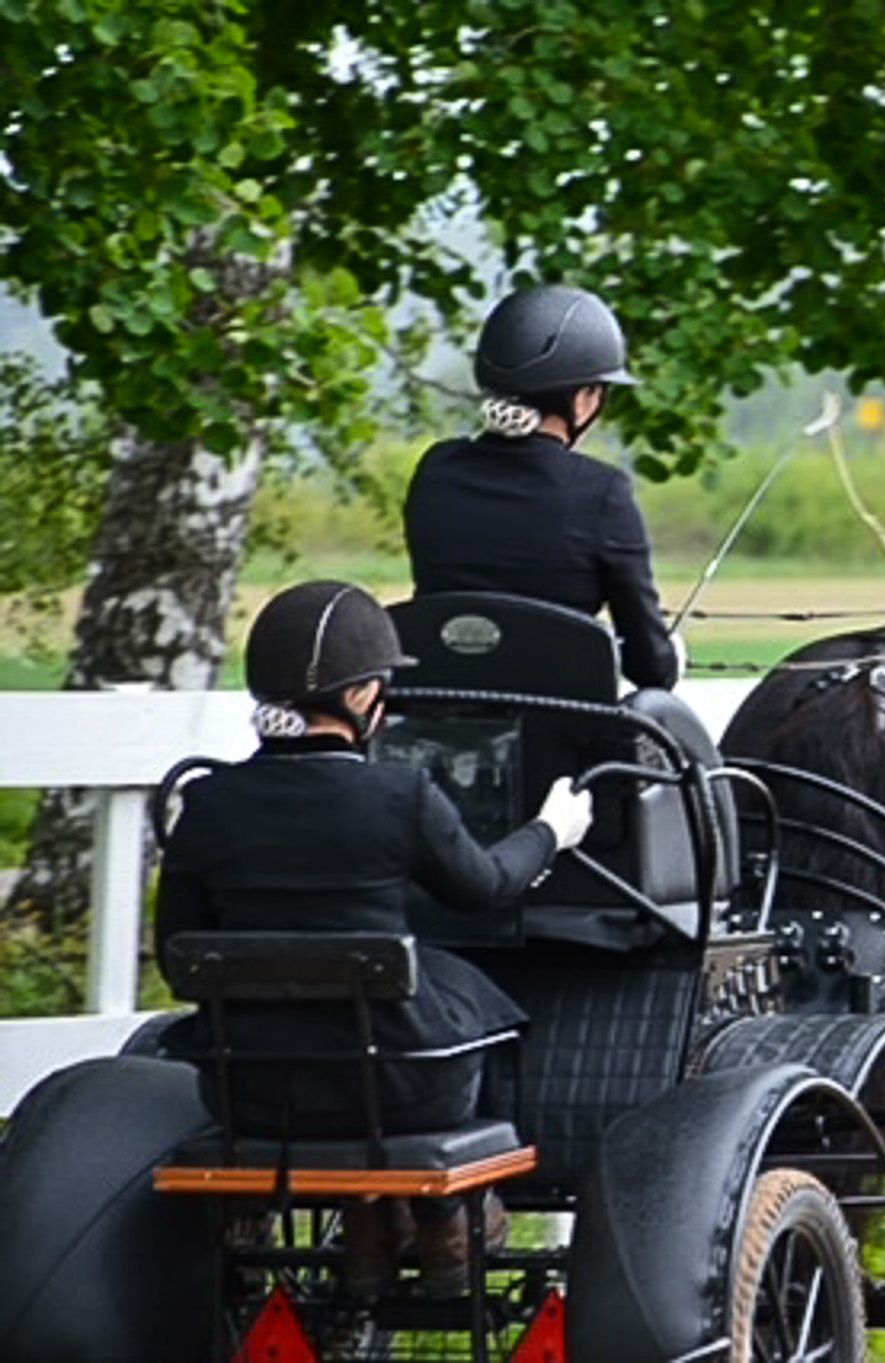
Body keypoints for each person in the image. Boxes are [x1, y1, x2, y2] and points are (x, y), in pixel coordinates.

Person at [154, 580, 594, 1298]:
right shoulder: (399, 797)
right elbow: (485, 887)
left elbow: (178, 954)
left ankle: (370, 1224)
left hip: (252, 1092)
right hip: (401, 1094)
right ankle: (444, 1214)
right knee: (470, 1001)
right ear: (361, 697)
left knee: (420, 991)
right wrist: (552, 831)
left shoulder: (206, 804)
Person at [403, 284, 681, 691]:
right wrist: (669, 656)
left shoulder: (436, 470)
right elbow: (649, 667)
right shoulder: (602, 493)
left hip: (436, 714)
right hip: (560, 726)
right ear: (584, 399)